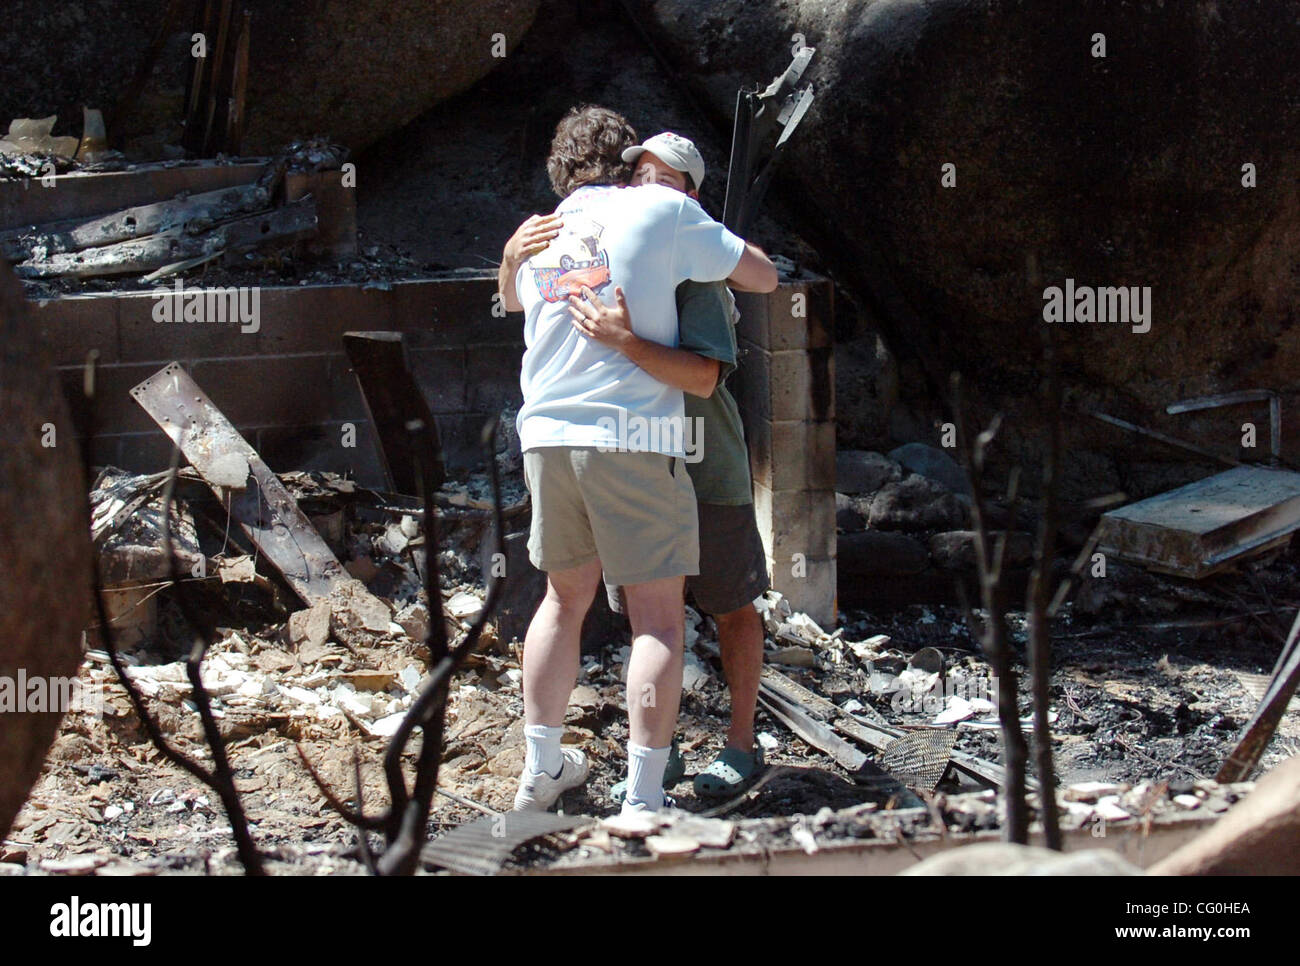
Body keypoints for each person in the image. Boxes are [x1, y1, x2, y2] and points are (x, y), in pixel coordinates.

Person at [498, 105, 777, 814]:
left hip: (546, 435)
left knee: (562, 602)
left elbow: (513, 305)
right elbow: (766, 277)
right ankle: (646, 801)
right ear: (628, 167)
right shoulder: (659, 212)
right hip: (631, 439)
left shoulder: (543, 236)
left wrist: (508, 261)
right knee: (657, 620)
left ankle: (542, 772)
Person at [566, 133, 769, 802]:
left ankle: (742, 745)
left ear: (690, 196)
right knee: (653, 616)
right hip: (641, 462)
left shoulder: (698, 272)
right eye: (638, 175)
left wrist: (627, 342)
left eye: (663, 179)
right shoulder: (613, 254)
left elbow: (705, 378)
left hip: (706, 466)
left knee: (731, 604)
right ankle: (662, 751)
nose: (645, 187)